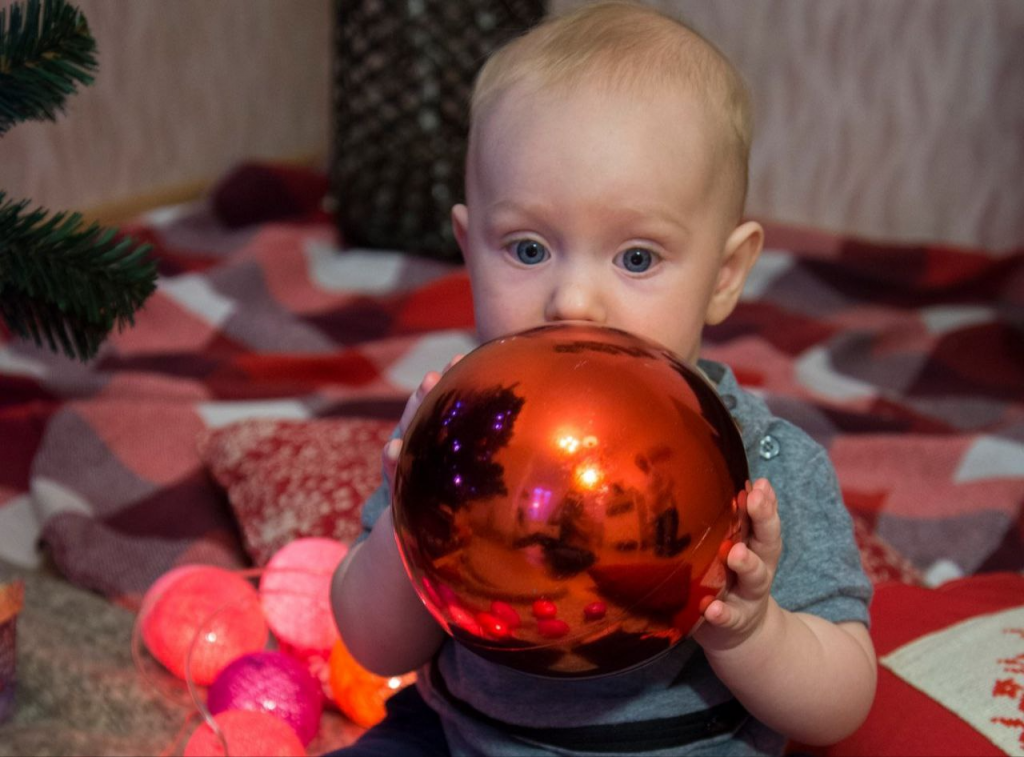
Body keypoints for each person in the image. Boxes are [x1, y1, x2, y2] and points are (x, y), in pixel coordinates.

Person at [330, 3, 876, 755]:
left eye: (637, 258)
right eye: (527, 249)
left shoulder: (766, 466)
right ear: (468, 246)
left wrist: (752, 630)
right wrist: (408, 528)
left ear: (725, 274)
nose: (574, 302)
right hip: (461, 740)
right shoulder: (455, 435)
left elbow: (842, 704)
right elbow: (374, 646)